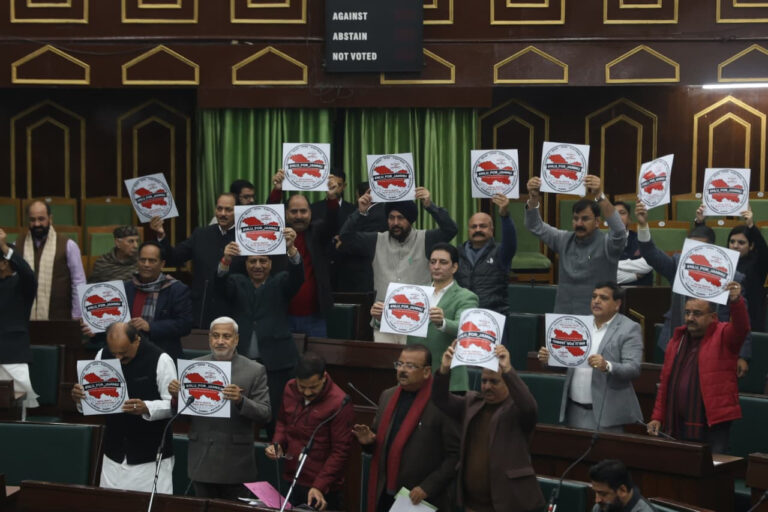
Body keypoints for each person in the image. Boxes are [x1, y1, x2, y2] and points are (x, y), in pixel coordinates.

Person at [635, 200, 752, 377]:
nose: (694, 252)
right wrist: (643, 225)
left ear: (712, 248)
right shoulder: (678, 264)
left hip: (714, 347)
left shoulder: (733, 277)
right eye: (690, 247)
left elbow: (741, 319)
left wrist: (742, 355)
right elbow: (651, 254)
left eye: (700, 248)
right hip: (678, 342)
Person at [432, 343, 545, 512]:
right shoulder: (472, 402)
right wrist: (445, 369)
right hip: (472, 505)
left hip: (507, 505)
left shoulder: (517, 410)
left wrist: (507, 369)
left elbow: (529, 407)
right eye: (484, 381)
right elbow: (440, 399)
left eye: (494, 381)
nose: (487, 386)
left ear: (507, 383)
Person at [168, 317, 271, 500]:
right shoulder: (193, 368)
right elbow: (182, 418)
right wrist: (176, 398)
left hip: (236, 463)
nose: (220, 341)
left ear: (236, 339)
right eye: (215, 336)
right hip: (201, 460)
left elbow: (265, 414)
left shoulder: (254, 370)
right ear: (209, 339)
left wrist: (241, 400)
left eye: (226, 336)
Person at [340, 186, 458, 342]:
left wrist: (430, 206)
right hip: (383, 322)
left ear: (410, 219)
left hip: (416, 323)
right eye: (391, 217)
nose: (395, 222)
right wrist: (360, 212)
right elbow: (346, 238)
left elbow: (451, 229)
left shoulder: (426, 239)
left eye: (401, 218)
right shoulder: (376, 240)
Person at [216, 227, 303, 434]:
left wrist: (292, 250)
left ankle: (276, 459)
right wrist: (226, 259)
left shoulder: (281, 281)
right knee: (240, 414)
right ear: (245, 264)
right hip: (243, 361)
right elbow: (219, 287)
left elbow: (297, 278)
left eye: (263, 261)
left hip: (277, 362)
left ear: (270, 264)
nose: (257, 265)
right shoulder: (237, 282)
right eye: (252, 261)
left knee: (276, 416)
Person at [352, 344, 460, 512]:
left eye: (410, 366)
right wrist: (368, 442)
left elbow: (456, 456)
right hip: (384, 493)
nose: (402, 370)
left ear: (426, 371)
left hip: (422, 499)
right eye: (400, 364)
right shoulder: (387, 396)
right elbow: (378, 443)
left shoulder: (442, 403)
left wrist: (428, 487)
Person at [71, 322, 176, 493]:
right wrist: (80, 398)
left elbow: (174, 405)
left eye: (124, 353)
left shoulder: (161, 359)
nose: (118, 358)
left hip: (150, 456)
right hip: (113, 453)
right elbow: (94, 401)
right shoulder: (102, 355)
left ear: (136, 340)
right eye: (114, 353)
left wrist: (146, 407)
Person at [647, 282, 749, 454]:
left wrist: (736, 301)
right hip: (678, 421)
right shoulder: (676, 340)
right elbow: (665, 383)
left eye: (697, 313)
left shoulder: (724, 335)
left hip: (713, 423)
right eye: (687, 313)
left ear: (713, 316)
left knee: (711, 473)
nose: (690, 318)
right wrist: (657, 417)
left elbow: (741, 328)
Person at [371, 243, 478, 390]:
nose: (436, 266)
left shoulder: (466, 297)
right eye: (433, 262)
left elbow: (466, 331)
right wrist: (380, 318)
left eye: (443, 262)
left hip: (448, 377)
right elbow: (400, 321)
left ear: (454, 267)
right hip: (415, 377)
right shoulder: (416, 292)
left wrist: (443, 322)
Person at [538, 282, 643, 431]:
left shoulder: (629, 328)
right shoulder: (579, 324)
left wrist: (607, 366)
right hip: (574, 408)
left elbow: (633, 368)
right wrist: (548, 359)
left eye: (604, 298)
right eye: (594, 297)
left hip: (606, 415)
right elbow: (564, 363)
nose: (596, 301)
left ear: (617, 304)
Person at [525, 175, 626, 314]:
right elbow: (534, 225)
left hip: (597, 319)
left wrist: (599, 195)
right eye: (575, 219)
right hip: (564, 317)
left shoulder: (608, 244)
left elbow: (620, 231)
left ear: (597, 222)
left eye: (585, 219)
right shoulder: (563, 239)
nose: (579, 223)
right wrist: (533, 198)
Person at [266, 352, 354, 511]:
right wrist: (277, 444)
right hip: (292, 478)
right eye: (302, 387)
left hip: (322, 487)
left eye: (313, 387)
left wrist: (319, 486)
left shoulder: (339, 402)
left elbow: (340, 451)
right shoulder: (290, 388)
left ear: (324, 377)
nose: (307, 392)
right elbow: (282, 422)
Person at [82, 241, 194, 361]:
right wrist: (95, 331)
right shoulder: (124, 289)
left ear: (162, 264)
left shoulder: (176, 289)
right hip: (123, 356)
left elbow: (184, 324)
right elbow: (113, 325)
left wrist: (150, 326)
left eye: (152, 260)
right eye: (142, 260)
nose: (146, 264)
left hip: (161, 355)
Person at [152, 193, 246, 328]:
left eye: (228, 210)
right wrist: (161, 236)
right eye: (219, 209)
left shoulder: (245, 237)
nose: (222, 214)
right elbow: (173, 257)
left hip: (232, 307)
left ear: (238, 211)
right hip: (201, 308)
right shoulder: (201, 234)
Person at [268, 170, 339, 337]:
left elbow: (332, 224)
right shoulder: (275, 235)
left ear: (311, 213)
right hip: (282, 316)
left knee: (316, 361)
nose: (299, 216)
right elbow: (268, 217)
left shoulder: (317, 232)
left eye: (303, 211)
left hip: (315, 317)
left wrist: (332, 197)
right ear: (285, 213)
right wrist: (277, 190)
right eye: (293, 212)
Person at [15, 200, 86, 320]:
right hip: (25, 320)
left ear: (50, 219)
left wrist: (77, 315)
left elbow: (78, 282)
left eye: (41, 219)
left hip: (61, 319)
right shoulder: (17, 245)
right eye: (32, 220)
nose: (37, 224)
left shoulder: (68, 245)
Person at [456, 194, 517, 315]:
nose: (478, 229)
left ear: (491, 229)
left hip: (493, 315)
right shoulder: (457, 253)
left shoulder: (501, 252)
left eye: (483, 226)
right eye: (474, 227)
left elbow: (511, 241)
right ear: (469, 230)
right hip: (464, 314)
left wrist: (505, 215)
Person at [0, 228, 40, 414]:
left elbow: (29, 274)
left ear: (4, 263)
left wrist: (4, 247)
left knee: (16, 410)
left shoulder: (22, 284)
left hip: (13, 355)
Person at [331, 181, 388, 293]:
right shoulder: (380, 211)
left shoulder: (378, 215)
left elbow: (349, 239)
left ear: (359, 195)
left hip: (363, 274)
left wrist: (342, 244)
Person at [721, 208, 767, 332]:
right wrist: (699, 223)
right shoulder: (722, 262)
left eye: (741, 243)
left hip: (750, 323)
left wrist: (751, 226)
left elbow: (763, 251)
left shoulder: (757, 264)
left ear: (751, 246)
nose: (735, 246)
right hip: (723, 321)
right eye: (732, 241)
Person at [589, 459, 655, 512]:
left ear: (622, 490)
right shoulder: (601, 507)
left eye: (603, 494)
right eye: (596, 492)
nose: (597, 500)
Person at [613, 202, 652, 286]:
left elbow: (650, 262)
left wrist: (613, 264)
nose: (618, 217)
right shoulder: (602, 242)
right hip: (612, 294)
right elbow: (601, 274)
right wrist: (634, 276)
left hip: (641, 292)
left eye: (622, 213)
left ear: (629, 219)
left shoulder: (641, 238)